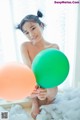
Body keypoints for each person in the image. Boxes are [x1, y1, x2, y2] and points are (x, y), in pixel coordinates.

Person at [16, 11, 59, 119]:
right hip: (32, 82)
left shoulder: (54, 47)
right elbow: (29, 71)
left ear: (41, 25)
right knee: (28, 89)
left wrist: (45, 90)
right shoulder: (25, 46)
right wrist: (36, 97)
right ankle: (35, 102)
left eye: (33, 28)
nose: (31, 34)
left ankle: (48, 102)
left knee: (53, 89)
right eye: (26, 32)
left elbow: (53, 73)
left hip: (47, 82)